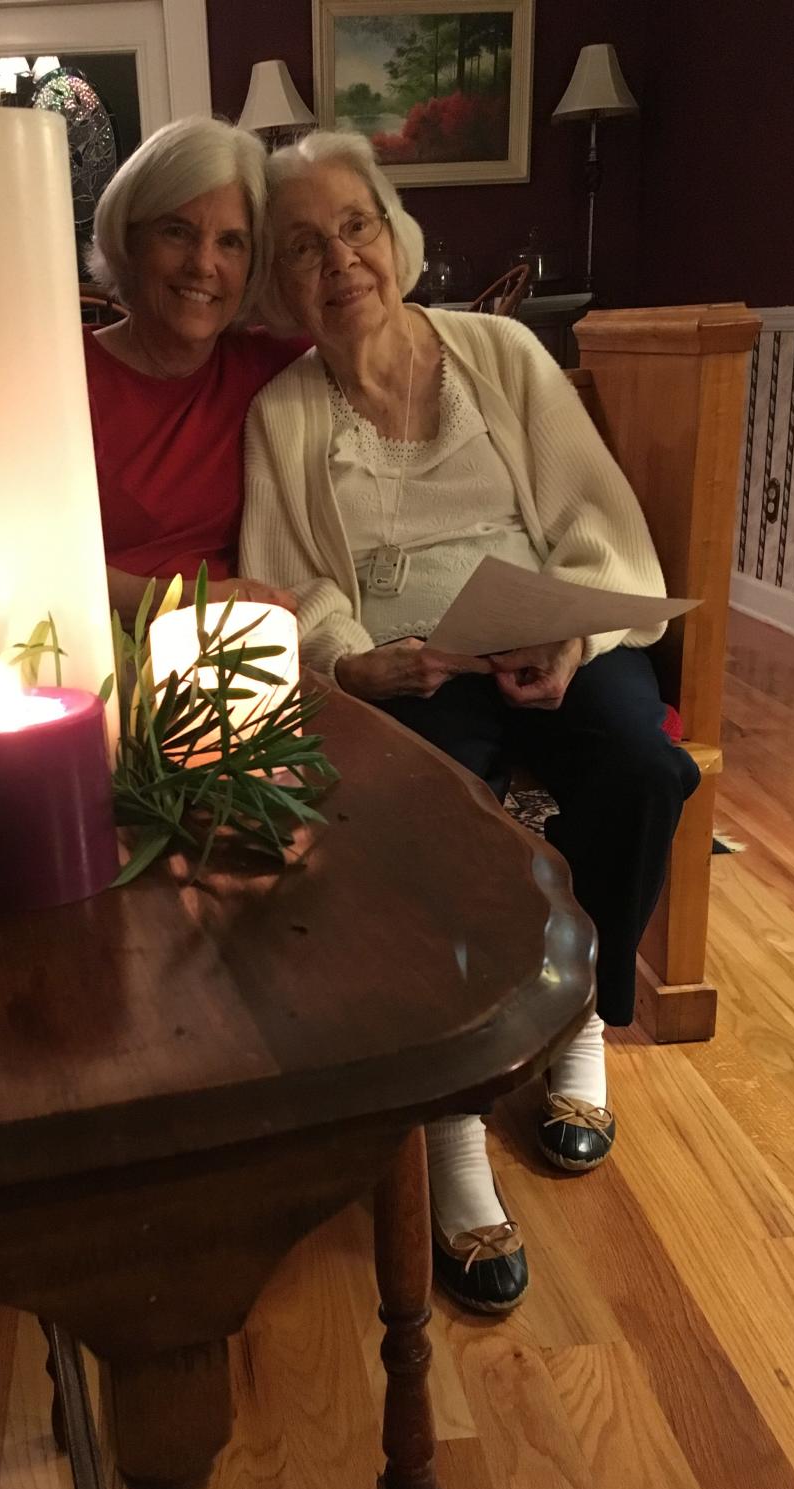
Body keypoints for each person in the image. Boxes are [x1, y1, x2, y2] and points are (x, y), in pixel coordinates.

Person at [240, 130, 700, 1315]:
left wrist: (575, 634)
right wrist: (360, 660)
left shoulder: (501, 353)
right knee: (420, 821)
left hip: (544, 629)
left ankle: (584, 1025)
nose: (338, 260)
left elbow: (593, 516)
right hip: (411, 668)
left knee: (642, 769)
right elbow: (293, 581)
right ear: (279, 288)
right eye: (302, 248)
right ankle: (449, 1123)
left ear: (396, 237)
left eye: (355, 227)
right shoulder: (283, 413)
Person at [85, 116, 305, 621]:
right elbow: (30, 562)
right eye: (177, 232)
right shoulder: (62, 378)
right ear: (131, 239)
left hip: (242, 658)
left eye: (231, 241)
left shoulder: (273, 366)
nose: (203, 264)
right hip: (98, 655)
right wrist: (185, 600)